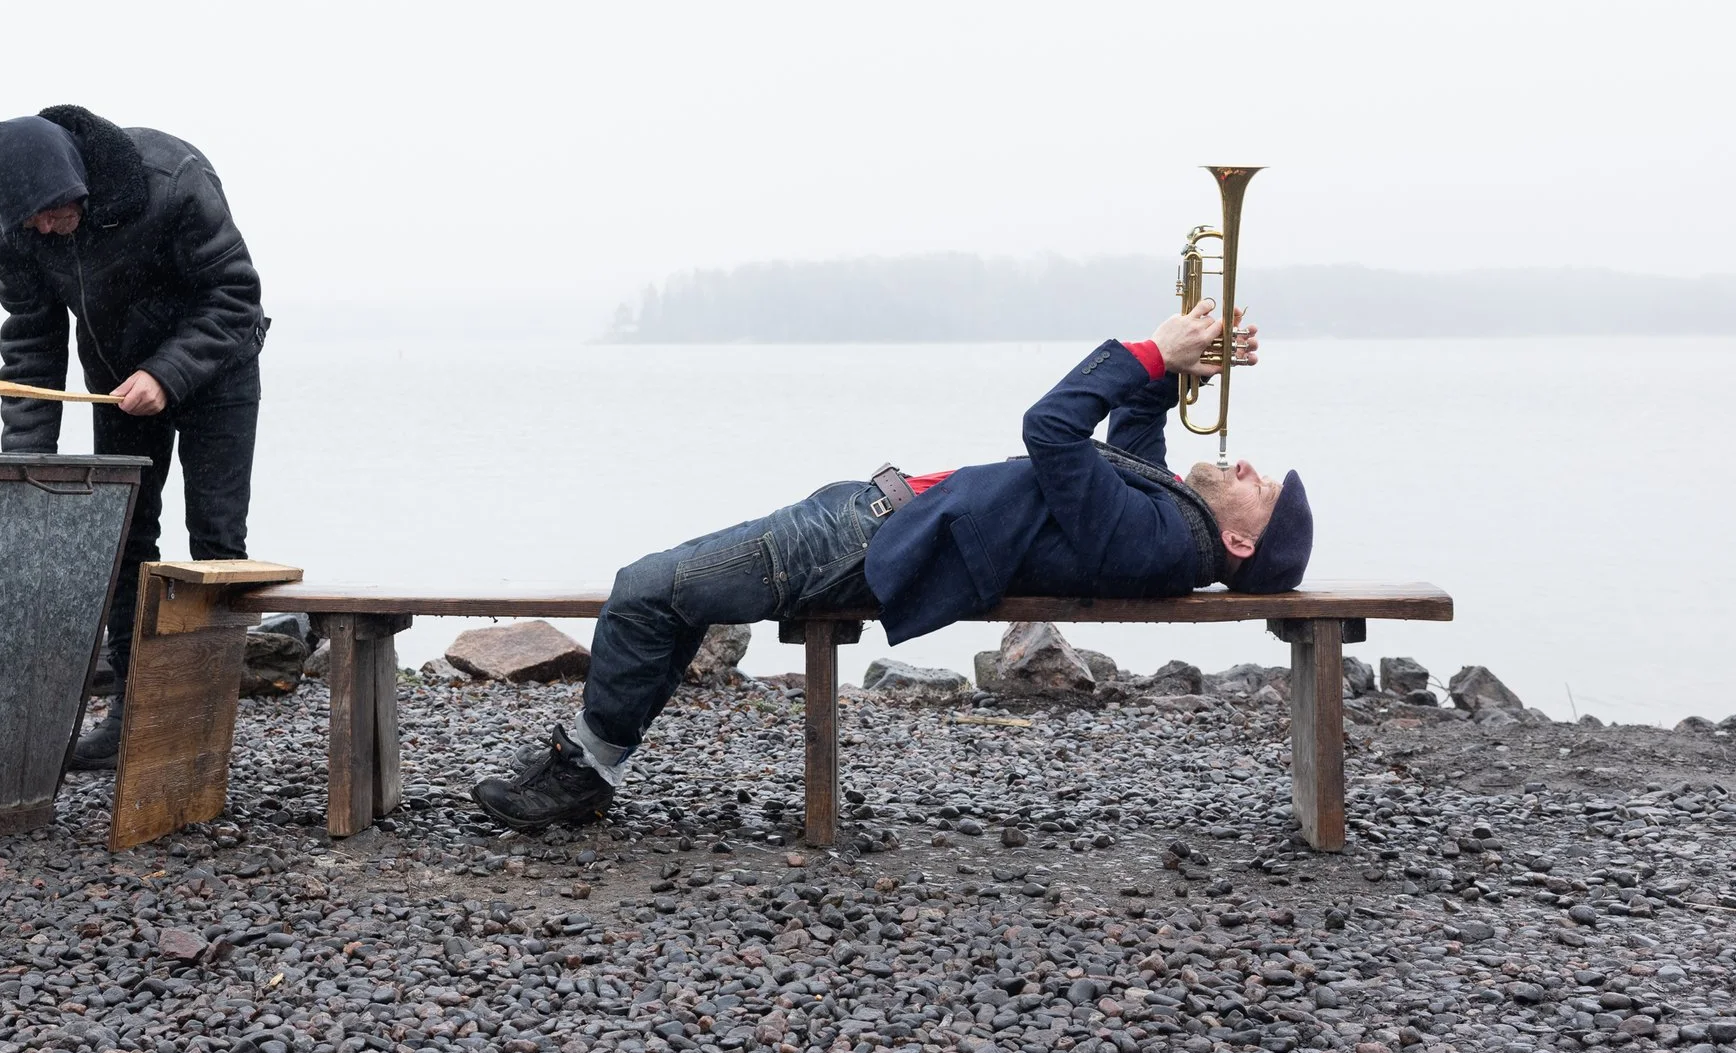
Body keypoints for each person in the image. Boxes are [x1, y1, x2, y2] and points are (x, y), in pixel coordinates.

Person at [471, 300, 1313, 829]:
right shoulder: (1168, 520)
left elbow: (1051, 428)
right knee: (670, 597)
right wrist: (1171, 372)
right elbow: (1131, 438)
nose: (1247, 465)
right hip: (866, 518)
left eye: (1261, 488)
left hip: (857, 544)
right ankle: (589, 763)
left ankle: (580, 774)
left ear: (1240, 545)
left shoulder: (1155, 541)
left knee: (645, 589)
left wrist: (1147, 351)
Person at [0, 104, 268, 770]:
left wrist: (166, 373)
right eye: (30, 220)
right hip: (116, 381)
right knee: (127, 540)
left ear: (74, 177)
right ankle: (131, 717)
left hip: (216, 366)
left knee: (216, 541)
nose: (44, 228)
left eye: (53, 212)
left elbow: (235, 295)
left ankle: (202, 722)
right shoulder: (19, 222)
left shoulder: (171, 178)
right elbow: (31, 343)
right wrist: (26, 466)